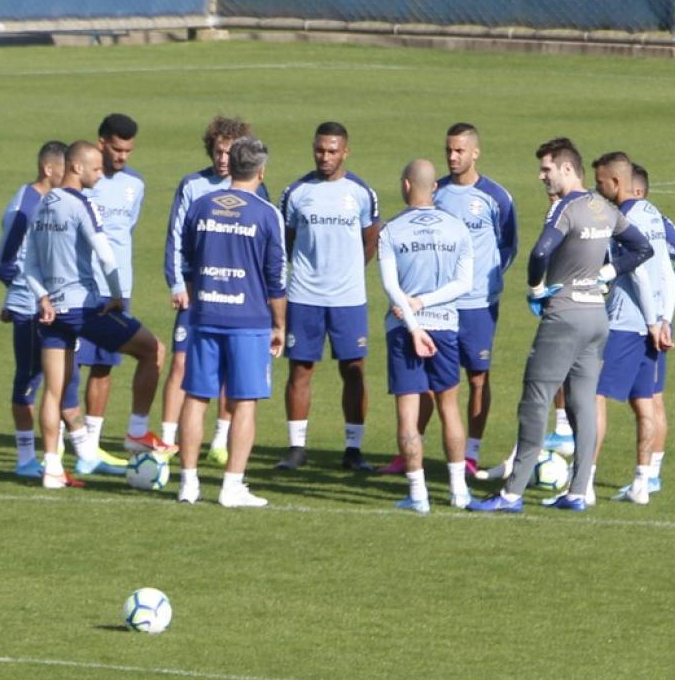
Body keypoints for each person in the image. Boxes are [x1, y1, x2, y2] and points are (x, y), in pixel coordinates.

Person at [468, 138, 653, 513]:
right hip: (596, 318)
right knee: (582, 406)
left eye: (547, 169)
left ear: (567, 169)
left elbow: (539, 252)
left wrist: (536, 287)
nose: (541, 176)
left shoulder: (564, 209)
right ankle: (577, 491)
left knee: (535, 401)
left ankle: (511, 494)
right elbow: (642, 248)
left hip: (564, 316)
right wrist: (609, 271)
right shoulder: (603, 207)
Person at [23, 143, 173, 491]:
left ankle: (52, 469)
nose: (101, 173)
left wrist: (42, 297)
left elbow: (29, 263)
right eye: (95, 168)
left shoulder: (44, 204)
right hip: (83, 307)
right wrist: (118, 295)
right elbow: (105, 255)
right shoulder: (82, 204)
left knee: (53, 390)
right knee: (153, 350)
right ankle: (137, 433)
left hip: (51, 310)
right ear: (76, 167)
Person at [376, 123, 516, 476]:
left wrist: (491, 280)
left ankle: (471, 453)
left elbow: (508, 244)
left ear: (475, 152)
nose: (453, 157)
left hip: (477, 302)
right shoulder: (434, 192)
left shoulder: (496, 197)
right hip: (435, 306)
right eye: (448, 150)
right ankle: (411, 450)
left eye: (459, 151)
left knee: (476, 378)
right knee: (421, 380)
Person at [174, 136, 287, 507]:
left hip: (205, 315)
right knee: (245, 401)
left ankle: (188, 483)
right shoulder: (267, 213)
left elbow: (187, 262)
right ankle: (231, 486)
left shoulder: (201, 206)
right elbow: (276, 279)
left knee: (196, 396)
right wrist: (279, 325)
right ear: (260, 170)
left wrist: (200, 297)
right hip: (249, 319)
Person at [159, 116, 268, 466]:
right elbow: (176, 238)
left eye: (229, 153)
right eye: (219, 151)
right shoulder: (192, 186)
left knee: (229, 371)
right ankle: (166, 439)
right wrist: (178, 283)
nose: (223, 159)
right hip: (197, 292)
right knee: (181, 363)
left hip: (237, 294)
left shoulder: (255, 188)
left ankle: (220, 439)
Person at [274, 121, 382, 471]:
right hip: (305, 295)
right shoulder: (297, 192)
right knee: (301, 369)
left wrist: (349, 269)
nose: (325, 156)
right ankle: (296, 447)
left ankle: (353, 449)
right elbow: (286, 242)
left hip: (348, 298)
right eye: (320, 149)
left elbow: (371, 239)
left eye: (332, 150)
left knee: (353, 370)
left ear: (345, 151)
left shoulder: (362, 193)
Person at [580, 151, 675, 507]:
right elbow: (666, 269)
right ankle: (641, 482)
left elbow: (636, 271)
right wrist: (665, 318)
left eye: (601, 181)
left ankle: (585, 483)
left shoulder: (621, 220)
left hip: (625, 322)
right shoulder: (653, 213)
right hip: (654, 323)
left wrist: (652, 320)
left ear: (616, 183)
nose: (597, 187)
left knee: (594, 397)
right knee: (645, 402)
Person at [377, 159, 474, 512]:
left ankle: (418, 496)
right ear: (434, 187)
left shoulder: (392, 230)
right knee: (449, 408)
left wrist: (414, 320)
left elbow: (390, 285)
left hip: (404, 330)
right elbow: (464, 284)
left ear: (406, 185)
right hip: (446, 325)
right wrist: (427, 302)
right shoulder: (457, 228)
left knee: (408, 413)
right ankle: (459, 490)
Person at [0, 140, 85, 484]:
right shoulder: (26, 207)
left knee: (62, 379)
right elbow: (3, 263)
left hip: (51, 304)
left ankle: (67, 453)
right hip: (32, 308)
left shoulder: (51, 202)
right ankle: (26, 458)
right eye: (66, 170)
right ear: (49, 170)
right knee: (29, 379)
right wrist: (20, 298)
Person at [611, 162, 675, 498]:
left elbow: (639, 269)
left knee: (602, 395)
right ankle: (650, 476)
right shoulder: (659, 220)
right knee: (653, 400)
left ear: (633, 190)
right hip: (663, 318)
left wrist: (651, 295)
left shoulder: (627, 219)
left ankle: (581, 474)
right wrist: (665, 298)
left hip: (635, 318)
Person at [72, 119, 146, 476]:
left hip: (118, 291)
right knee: (69, 367)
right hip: (81, 290)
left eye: (128, 151)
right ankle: (63, 444)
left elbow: (124, 231)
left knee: (104, 366)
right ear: (102, 143)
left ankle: (93, 445)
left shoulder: (135, 185)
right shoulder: (84, 181)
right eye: (116, 149)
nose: (122, 156)